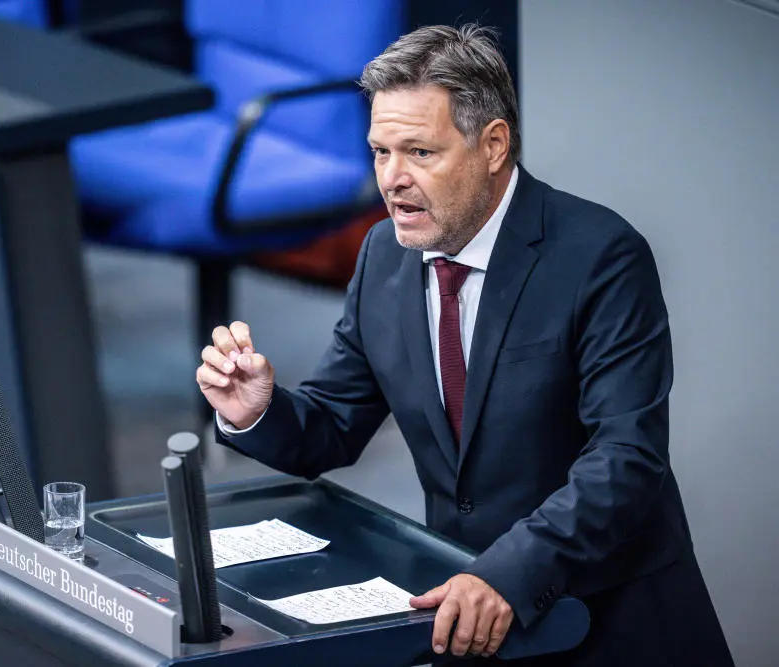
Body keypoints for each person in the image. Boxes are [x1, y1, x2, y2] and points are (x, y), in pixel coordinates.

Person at [195, 24, 733, 666]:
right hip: (465, 619)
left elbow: (625, 459)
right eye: (379, 152)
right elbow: (335, 423)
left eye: (419, 153)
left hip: (607, 621)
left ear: (493, 146)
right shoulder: (383, 256)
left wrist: (507, 573)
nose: (391, 180)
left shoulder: (600, 257)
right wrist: (255, 409)